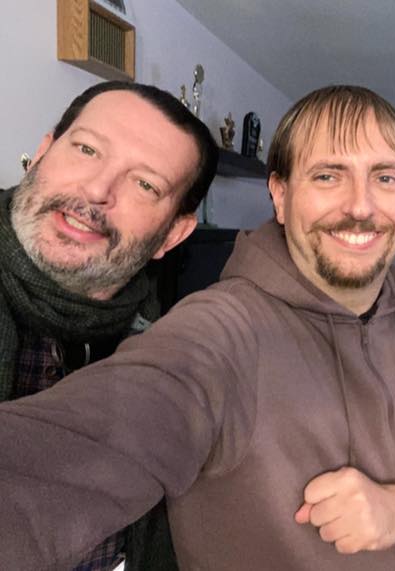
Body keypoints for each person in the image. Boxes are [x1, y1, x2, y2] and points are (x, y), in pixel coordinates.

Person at [0, 86, 395, 570]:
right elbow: (77, 450)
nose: (360, 206)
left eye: (385, 177)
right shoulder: (219, 330)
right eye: (327, 176)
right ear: (279, 195)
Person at [0, 81, 217, 570]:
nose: (97, 191)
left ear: (174, 234)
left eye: (145, 184)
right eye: (86, 149)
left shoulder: (169, 342)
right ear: (41, 153)